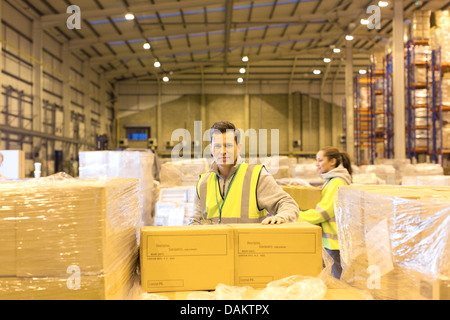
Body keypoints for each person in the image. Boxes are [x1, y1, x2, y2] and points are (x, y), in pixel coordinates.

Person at [191, 121, 299, 225]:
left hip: (247, 243)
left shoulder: (257, 176)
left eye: (228, 146)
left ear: (238, 147)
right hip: (215, 244)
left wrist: (281, 217)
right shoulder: (203, 183)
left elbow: (288, 204)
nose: (222, 151)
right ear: (211, 149)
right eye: (218, 146)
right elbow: (195, 222)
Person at [297, 146, 352, 279]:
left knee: (337, 285)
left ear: (332, 162)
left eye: (320, 160)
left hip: (334, 244)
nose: (317, 164)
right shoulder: (330, 181)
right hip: (330, 243)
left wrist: (295, 216)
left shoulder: (336, 182)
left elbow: (323, 212)